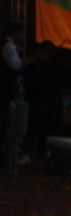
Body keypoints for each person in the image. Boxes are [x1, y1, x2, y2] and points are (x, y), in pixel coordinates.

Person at [1, 22, 30, 175]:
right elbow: (15, 66)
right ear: (15, 33)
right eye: (21, 34)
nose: (23, 37)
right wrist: (31, 60)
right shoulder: (9, 47)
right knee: (10, 129)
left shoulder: (10, 48)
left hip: (10, 93)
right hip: (7, 94)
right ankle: (8, 164)